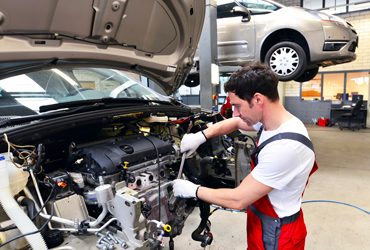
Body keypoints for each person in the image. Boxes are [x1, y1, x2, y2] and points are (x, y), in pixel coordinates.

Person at [172, 62, 318, 249]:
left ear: (258, 100)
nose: (235, 113)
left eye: (238, 106)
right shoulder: (272, 121)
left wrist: (191, 190)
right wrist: (202, 136)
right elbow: (236, 123)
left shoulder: (286, 147)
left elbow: (238, 199)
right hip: (263, 218)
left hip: (277, 232)